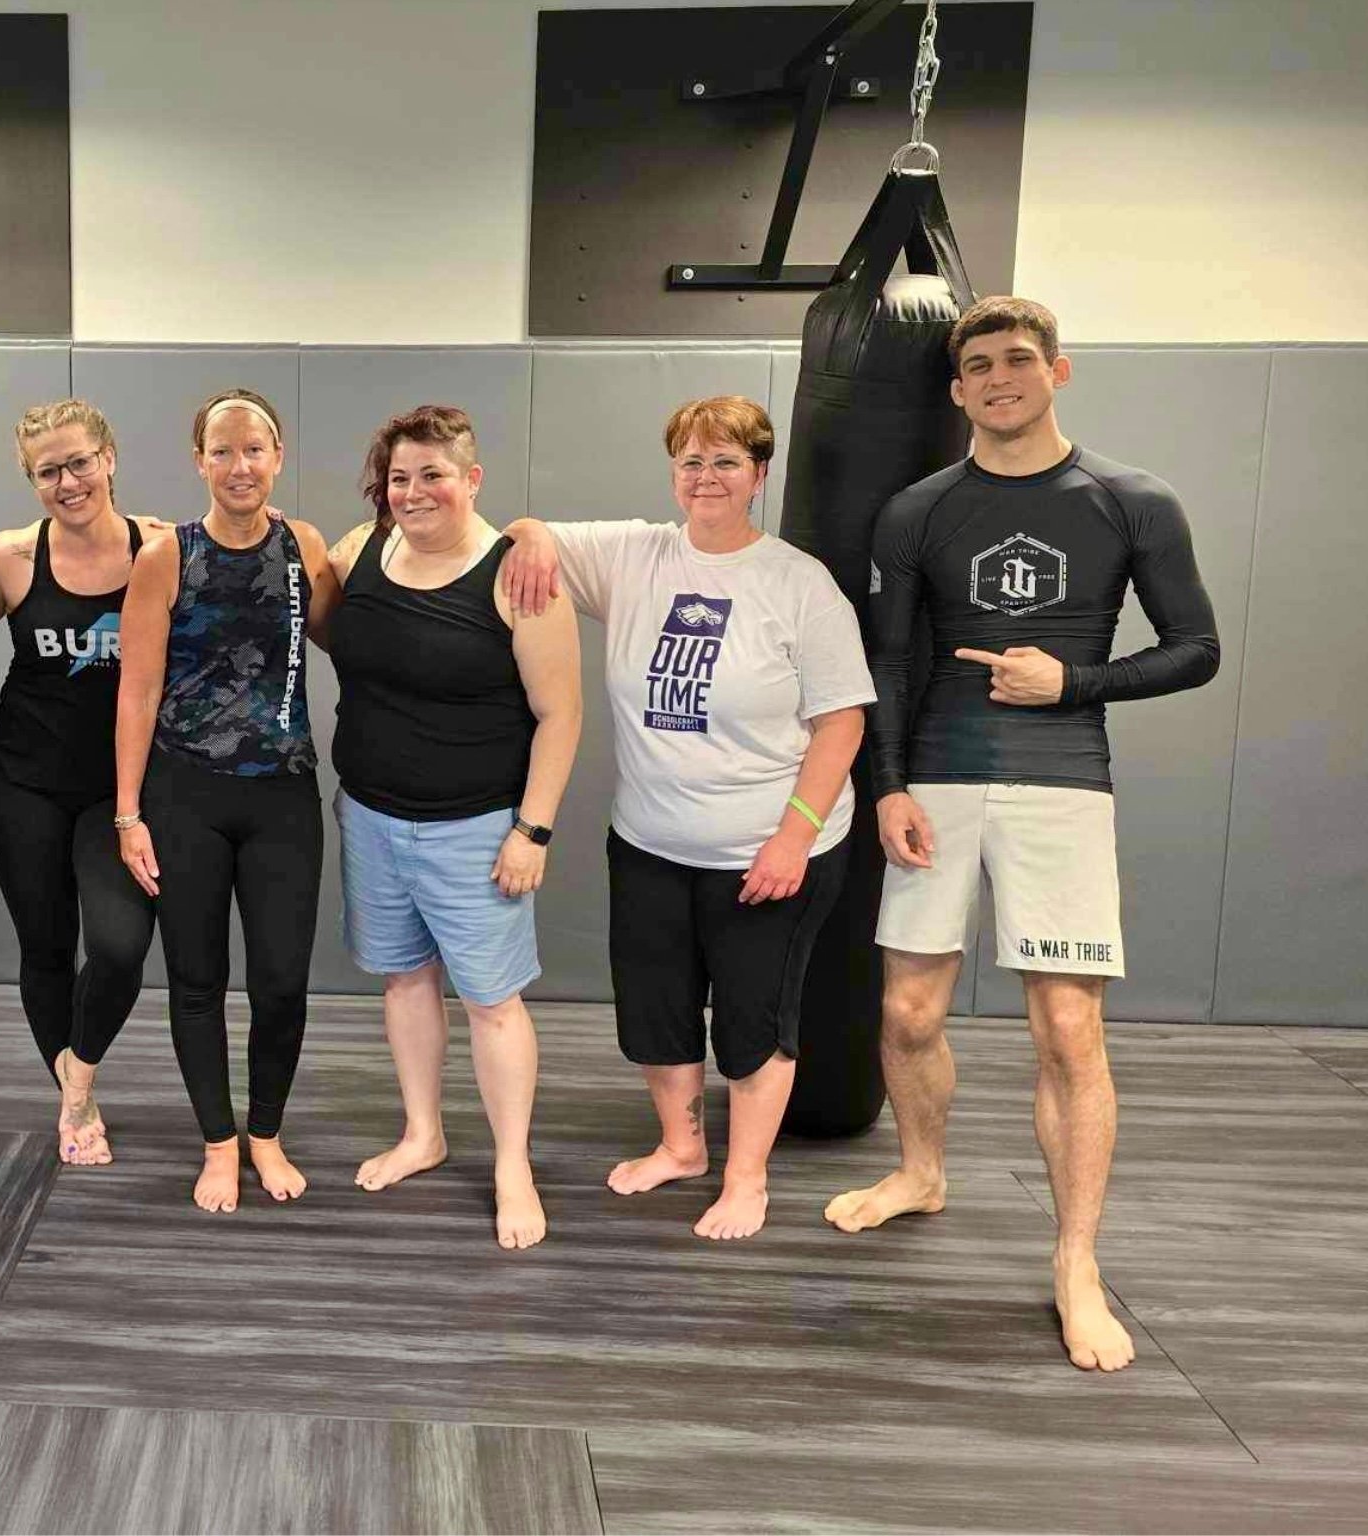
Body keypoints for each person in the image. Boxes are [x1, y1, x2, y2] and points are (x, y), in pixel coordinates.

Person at [824, 296, 1220, 1371]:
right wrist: (886, 787)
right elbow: (893, 663)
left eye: (1016, 359)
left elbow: (1193, 648)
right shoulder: (916, 510)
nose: (998, 377)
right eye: (978, 366)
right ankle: (919, 1171)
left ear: (1057, 370)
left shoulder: (1129, 500)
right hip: (935, 781)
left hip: (1058, 784)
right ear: (954, 391)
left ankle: (1074, 1261)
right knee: (906, 1011)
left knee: (1065, 1032)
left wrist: (1073, 682)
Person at [504, 395, 873, 1241]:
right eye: (691, 462)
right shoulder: (637, 555)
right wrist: (527, 533)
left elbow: (842, 722)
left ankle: (747, 1180)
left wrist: (793, 837)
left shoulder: (797, 584)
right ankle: (682, 1147)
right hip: (650, 843)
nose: (706, 478)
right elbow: (533, 531)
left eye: (726, 462)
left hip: (770, 848)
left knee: (752, 1020)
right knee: (656, 1008)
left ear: (759, 475)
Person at [324, 406, 582, 1251]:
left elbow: (561, 715)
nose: (414, 491)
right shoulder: (360, 551)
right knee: (403, 982)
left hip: (476, 830)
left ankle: (513, 1164)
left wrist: (532, 832)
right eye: (400, 476)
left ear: (472, 479)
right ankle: (423, 1133)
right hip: (368, 814)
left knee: (493, 1004)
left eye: (433, 474)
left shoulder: (520, 578)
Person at [115, 389, 337, 1213]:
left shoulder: (302, 546)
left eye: (255, 449)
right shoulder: (166, 555)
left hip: (282, 796)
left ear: (277, 457)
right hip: (185, 794)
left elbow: (350, 633)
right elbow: (135, 692)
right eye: (222, 450)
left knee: (281, 980)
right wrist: (129, 812)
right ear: (199, 461)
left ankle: (266, 1133)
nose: (239, 465)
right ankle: (217, 1141)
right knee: (197, 979)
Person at [0, 399, 160, 1165]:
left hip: (122, 794)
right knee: (45, 949)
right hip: (24, 786)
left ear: (109, 457)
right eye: (48, 471)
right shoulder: (10, 559)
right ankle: (74, 1104)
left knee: (118, 947)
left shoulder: (164, 550)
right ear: (31, 481)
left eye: (80, 462)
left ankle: (78, 1065)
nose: (68, 481)